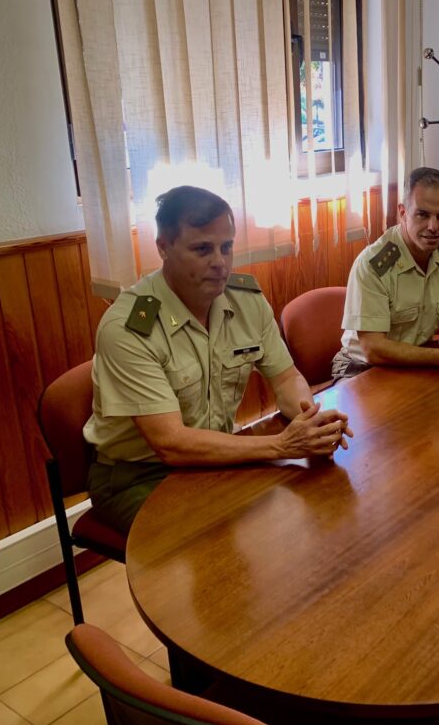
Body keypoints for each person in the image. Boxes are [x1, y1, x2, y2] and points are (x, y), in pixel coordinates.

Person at [84, 186, 352, 533]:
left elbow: (286, 379)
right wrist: (282, 445)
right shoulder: (129, 327)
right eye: (202, 249)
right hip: (137, 475)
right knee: (220, 533)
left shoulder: (246, 300)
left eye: (226, 247)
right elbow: (171, 444)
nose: (220, 263)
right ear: (163, 248)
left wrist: (309, 423)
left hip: (213, 456)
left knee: (302, 501)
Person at [331, 166, 439, 377]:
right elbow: (373, 348)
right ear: (403, 213)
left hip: (417, 361)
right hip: (362, 368)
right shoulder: (374, 265)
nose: (434, 227)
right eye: (423, 215)